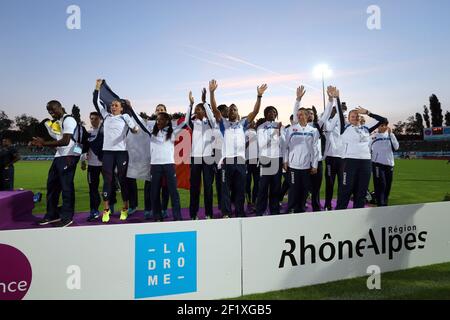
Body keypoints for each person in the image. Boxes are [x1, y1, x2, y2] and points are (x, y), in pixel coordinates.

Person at [209, 79, 267, 218]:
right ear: (227, 113)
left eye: (234, 109)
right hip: (227, 161)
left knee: (240, 189)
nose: (232, 111)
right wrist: (212, 93)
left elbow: (256, 111)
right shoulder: (223, 124)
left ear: (238, 112)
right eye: (230, 109)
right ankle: (226, 213)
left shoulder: (242, 124)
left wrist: (259, 96)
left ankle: (240, 212)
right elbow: (215, 109)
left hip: (241, 161)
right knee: (225, 189)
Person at [93, 79, 140, 223]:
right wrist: (97, 88)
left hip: (121, 153)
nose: (113, 107)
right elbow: (96, 102)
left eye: (116, 105)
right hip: (107, 152)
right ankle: (106, 210)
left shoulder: (125, 116)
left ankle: (124, 208)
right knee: (107, 181)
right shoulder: (106, 116)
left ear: (121, 108)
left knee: (123, 180)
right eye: (112, 105)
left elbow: (135, 129)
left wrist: (134, 129)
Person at [31, 100, 81, 228]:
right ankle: (52, 214)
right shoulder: (57, 122)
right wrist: (44, 142)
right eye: (49, 110)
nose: (51, 112)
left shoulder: (69, 120)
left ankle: (67, 217)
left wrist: (44, 143)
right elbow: (58, 142)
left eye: (53, 109)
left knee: (66, 187)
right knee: (52, 186)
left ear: (60, 107)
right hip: (59, 155)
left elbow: (65, 141)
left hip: (69, 155)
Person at [335, 92, 387, 210]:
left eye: (357, 116)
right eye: (353, 116)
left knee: (361, 190)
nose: (355, 118)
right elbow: (339, 113)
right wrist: (337, 98)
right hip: (349, 162)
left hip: (365, 162)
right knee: (346, 189)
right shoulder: (344, 128)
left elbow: (383, 120)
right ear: (348, 118)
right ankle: (339, 214)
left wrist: (368, 113)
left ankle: (358, 214)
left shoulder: (366, 129)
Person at [148, 102, 190, 221]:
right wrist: (130, 108)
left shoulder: (173, 132)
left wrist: (190, 105)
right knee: (154, 192)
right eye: (157, 119)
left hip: (169, 165)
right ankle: (157, 216)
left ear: (167, 121)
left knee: (173, 192)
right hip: (155, 166)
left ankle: (177, 217)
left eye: (161, 119)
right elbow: (139, 122)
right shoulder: (151, 132)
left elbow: (186, 122)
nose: (158, 121)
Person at [295, 87, 335, 212]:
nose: (310, 115)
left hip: (317, 162)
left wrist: (330, 99)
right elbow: (296, 111)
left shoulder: (319, 125)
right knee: (303, 188)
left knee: (316, 188)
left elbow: (328, 112)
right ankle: (300, 208)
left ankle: (316, 209)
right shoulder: (299, 126)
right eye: (308, 113)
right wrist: (298, 99)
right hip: (304, 163)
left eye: (312, 113)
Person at [284, 87, 320, 213]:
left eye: (301, 114)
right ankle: (290, 209)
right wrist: (298, 99)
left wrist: (314, 165)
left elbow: (315, 149)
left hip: (306, 167)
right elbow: (286, 146)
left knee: (305, 189)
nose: (299, 116)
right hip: (293, 166)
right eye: (297, 115)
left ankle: (300, 209)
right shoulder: (292, 129)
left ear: (306, 116)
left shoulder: (313, 131)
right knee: (293, 189)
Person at [80, 112, 117, 222]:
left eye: (96, 119)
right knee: (93, 189)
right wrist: (82, 161)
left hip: (105, 164)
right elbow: (81, 147)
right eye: (91, 119)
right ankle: (94, 210)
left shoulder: (106, 133)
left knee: (110, 185)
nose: (93, 120)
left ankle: (110, 206)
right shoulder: (87, 133)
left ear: (100, 120)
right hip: (92, 166)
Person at [185, 89, 216, 220]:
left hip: (208, 158)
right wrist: (190, 104)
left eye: (200, 109)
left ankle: (209, 213)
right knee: (195, 187)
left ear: (204, 111)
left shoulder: (210, 122)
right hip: (196, 158)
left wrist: (204, 102)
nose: (197, 111)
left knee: (208, 187)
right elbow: (186, 120)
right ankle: (193, 214)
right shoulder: (193, 123)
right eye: (196, 109)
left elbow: (212, 117)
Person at [255, 106, 283, 215]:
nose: (273, 113)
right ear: (266, 113)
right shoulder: (261, 127)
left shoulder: (280, 126)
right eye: (270, 111)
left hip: (277, 159)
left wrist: (280, 133)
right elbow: (262, 145)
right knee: (263, 187)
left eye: (275, 112)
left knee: (276, 187)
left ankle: (275, 211)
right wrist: (274, 134)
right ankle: (260, 211)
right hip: (265, 159)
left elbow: (283, 144)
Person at [323, 98, 347, 210]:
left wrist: (341, 111)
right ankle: (328, 204)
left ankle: (340, 205)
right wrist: (337, 110)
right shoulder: (327, 122)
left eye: (335, 111)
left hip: (342, 158)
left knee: (342, 183)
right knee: (330, 183)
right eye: (333, 111)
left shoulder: (344, 123)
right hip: (330, 157)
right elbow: (328, 128)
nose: (335, 112)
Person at [371, 121, 399, 206]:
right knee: (381, 184)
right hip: (377, 164)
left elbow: (396, 147)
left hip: (389, 164)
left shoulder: (390, 135)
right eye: (381, 125)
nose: (383, 127)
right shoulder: (373, 136)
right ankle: (380, 203)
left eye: (385, 125)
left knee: (388, 185)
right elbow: (368, 148)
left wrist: (391, 135)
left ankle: (385, 203)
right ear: (377, 127)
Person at [245, 119, 259, 213]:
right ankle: (249, 201)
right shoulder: (244, 132)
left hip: (256, 160)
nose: (253, 123)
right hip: (247, 160)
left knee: (257, 182)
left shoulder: (257, 133)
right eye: (251, 122)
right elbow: (242, 146)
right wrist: (249, 141)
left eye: (254, 122)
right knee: (247, 182)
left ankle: (254, 201)